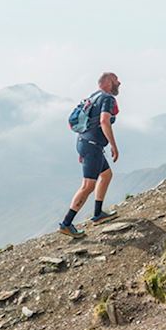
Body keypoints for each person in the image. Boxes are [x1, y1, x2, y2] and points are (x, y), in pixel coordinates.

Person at [59, 72, 122, 238]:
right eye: (116, 80)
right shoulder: (107, 98)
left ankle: (98, 213)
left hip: (86, 143)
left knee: (106, 175)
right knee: (88, 186)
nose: (119, 83)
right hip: (92, 147)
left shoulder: (93, 97)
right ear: (108, 82)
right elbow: (104, 121)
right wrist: (114, 146)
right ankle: (66, 223)